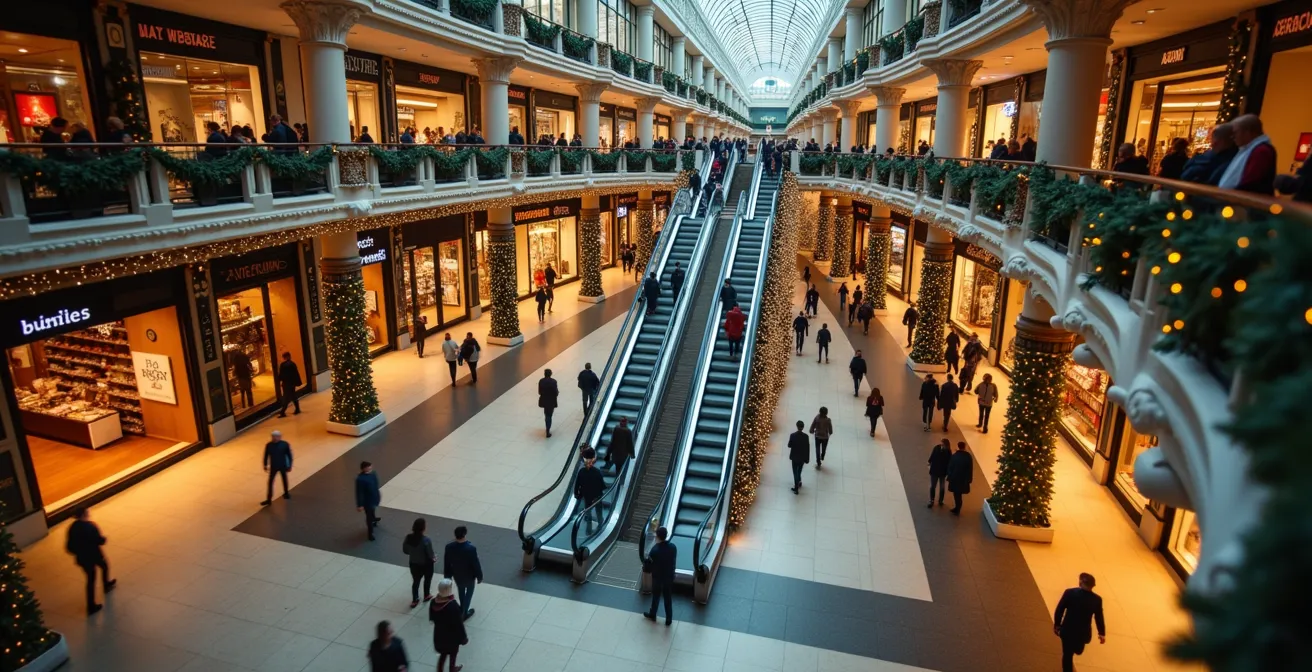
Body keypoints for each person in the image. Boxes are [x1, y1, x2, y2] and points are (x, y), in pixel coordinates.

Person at [66, 507, 115, 615]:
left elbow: (69, 547)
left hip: (83, 558)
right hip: (94, 555)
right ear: (84, 514)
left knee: (90, 579)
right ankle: (105, 586)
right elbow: (100, 540)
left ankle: (92, 603)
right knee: (104, 566)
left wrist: (79, 551)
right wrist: (103, 539)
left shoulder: (73, 527)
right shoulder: (90, 526)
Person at [1054, 573, 1107, 672]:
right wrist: (1101, 632)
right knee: (1072, 652)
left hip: (1068, 629)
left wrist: (1057, 624)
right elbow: (1099, 616)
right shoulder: (1096, 599)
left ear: (1081, 582)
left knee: (1067, 654)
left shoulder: (1070, 593)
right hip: (1083, 633)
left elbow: (1060, 609)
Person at [1218, 113, 1276, 195]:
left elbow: (1251, 182)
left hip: (1247, 202)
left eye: (1235, 133)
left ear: (1248, 131)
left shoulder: (1261, 151)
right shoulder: (1247, 149)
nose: (1233, 137)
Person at [443, 526, 483, 620]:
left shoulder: (449, 547)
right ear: (465, 534)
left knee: (461, 591)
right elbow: (475, 564)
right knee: (469, 592)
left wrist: (447, 576)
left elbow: (447, 562)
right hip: (469, 576)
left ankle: (462, 608)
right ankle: (464, 612)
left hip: (457, 574)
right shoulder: (471, 549)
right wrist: (479, 577)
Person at [429, 579, 468, 671]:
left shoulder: (433, 602)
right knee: (453, 654)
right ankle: (452, 668)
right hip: (451, 637)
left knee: (443, 654)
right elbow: (458, 624)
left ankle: (440, 670)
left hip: (439, 635)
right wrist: (463, 638)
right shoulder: (452, 606)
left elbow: (432, 618)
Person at [643, 526, 677, 626]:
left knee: (656, 596)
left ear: (657, 536)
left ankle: (653, 614)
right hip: (669, 576)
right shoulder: (673, 547)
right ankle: (668, 618)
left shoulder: (654, 550)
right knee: (667, 597)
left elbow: (649, 564)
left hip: (657, 576)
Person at [403, 518, 437, 608]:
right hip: (426, 564)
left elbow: (405, 550)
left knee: (416, 581)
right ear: (423, 528)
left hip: (414, 563)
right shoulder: (426, 540)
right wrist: (434, 558)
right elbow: (430, 554)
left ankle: (415, 599)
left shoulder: (408, 537)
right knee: (427, 579)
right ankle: (426, 595)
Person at [574, 448, 606, 531]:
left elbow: (577, 484)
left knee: (587, 509)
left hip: (586, 495)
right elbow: (602, 485)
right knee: (599, 510)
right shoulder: (597, 472)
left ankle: (589, 527)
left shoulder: (581, 471)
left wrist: (576, 494)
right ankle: (600, 524)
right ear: (593, 459)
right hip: (597, 496)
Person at [262, 430, 293, 505]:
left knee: (284, 479)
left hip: (283, 465)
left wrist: (290, 465)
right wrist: (265, 464)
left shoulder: (285, 444)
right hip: (274, 466)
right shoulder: (269, 445)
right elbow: (266, 455)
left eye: (276, 436)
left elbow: (289, 456)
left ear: (280, 437)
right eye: (273, 436)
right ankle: (269, 499)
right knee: (270, 482)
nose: (274, 438)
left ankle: (286, 493)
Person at [356, 461, 383, 541]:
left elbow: (376, 484)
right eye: (369, 467)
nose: (371, 467)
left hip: (374, 497)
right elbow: (359, 492)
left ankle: (374, 519)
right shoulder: (360, 479)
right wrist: (360, 505)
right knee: (369, 516)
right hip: (367, 501)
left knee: (373, 510)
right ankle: (370, 533)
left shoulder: (373, 473)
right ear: (364, 468)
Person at [946, 441, 973, 515]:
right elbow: (970, 469)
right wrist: (969, 479)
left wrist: (949, 477)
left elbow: (950, 467)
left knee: (956, 494)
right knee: (959, 494)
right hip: (963, 480)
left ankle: (957, 508)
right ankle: (957, 508)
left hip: (955, 479)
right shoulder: (968, 457)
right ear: (964, 447)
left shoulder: (955, 456)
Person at [276, 352, 302, 417]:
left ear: (284, 357)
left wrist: (278, 381)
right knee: (293, 396)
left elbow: (281, 374)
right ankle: (297, 409)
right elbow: (296, 374)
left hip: (286, 384)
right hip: (292, 383)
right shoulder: (293, 364)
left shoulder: (283, 365)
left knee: (286, 397)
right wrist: (298, 382)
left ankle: (283, 412)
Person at [788, 420, 810, 494]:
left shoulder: (792, 435)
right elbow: (807, 448)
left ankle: (796, 487)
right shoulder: (806, 437)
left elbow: (789, 445)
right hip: (802, 457)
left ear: (797, 426)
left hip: (794, 456)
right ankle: (799, 481)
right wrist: (807, 458)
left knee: (795, 472)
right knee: (799, 470)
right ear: (803, 427)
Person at [538, 369, 559, 437]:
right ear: (550, 374)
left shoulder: (541, 381)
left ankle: (547, 426)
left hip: (544, 400)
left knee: (546, 414)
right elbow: (556, 392)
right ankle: (548, 429)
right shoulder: (553, 381)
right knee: (549, 415)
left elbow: (539, 392)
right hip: (551, 400)